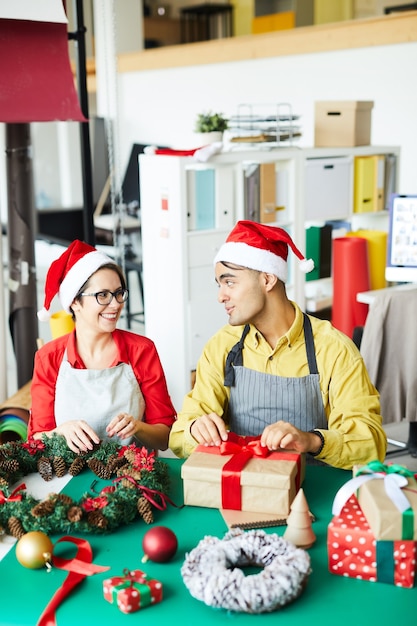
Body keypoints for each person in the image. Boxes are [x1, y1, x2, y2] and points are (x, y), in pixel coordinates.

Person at [169, 220, 387, 470]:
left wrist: (311, 440)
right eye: (219, 284)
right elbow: (179, 434)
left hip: (314, 490)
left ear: (268, 280)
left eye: (229, 282)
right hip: (242, 485)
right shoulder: (222, 346)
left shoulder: (334, 349)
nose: (221, 296)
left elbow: (371, 444)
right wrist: (195, 428)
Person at [29, 240, 176, 453]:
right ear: (74, 302)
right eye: (103, 295)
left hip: (134, 477)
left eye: (118, 293)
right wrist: (61, 431)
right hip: (67, 478)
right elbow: (35, 441)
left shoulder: (142, 350)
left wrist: (138, 427)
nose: (116, 304)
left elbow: (164, 438)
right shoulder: (48, 357)